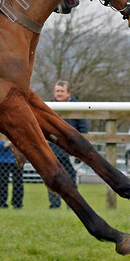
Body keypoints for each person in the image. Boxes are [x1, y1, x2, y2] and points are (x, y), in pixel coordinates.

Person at [48, 80, 89, 208]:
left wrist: (80, 150)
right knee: (52, 177)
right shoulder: (48, 106)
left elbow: (83, 128)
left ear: (68, 93)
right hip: (53, 149)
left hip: (70, 150)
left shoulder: (77, 107)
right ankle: (54, 205)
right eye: (57, 91)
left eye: (62, 91)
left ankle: (72, 204)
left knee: (70, 178)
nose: (59, 94)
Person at [0, 127, 24, 209]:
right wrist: (3, 144)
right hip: (2, 159)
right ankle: (2, 202)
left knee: (18, 181)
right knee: (3, 182)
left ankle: (17, 203)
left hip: (17, 156)